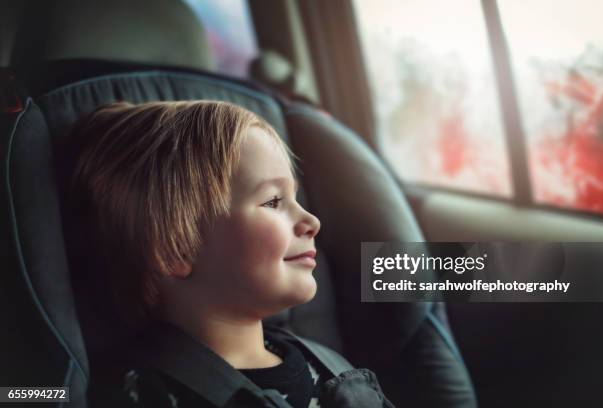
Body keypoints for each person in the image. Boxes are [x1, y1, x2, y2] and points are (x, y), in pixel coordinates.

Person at [65, 101, 395, 408]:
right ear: (176, 249)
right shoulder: (146, 395)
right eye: (273, 202)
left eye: (294, 197)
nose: (312, 222)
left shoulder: (327, 365)